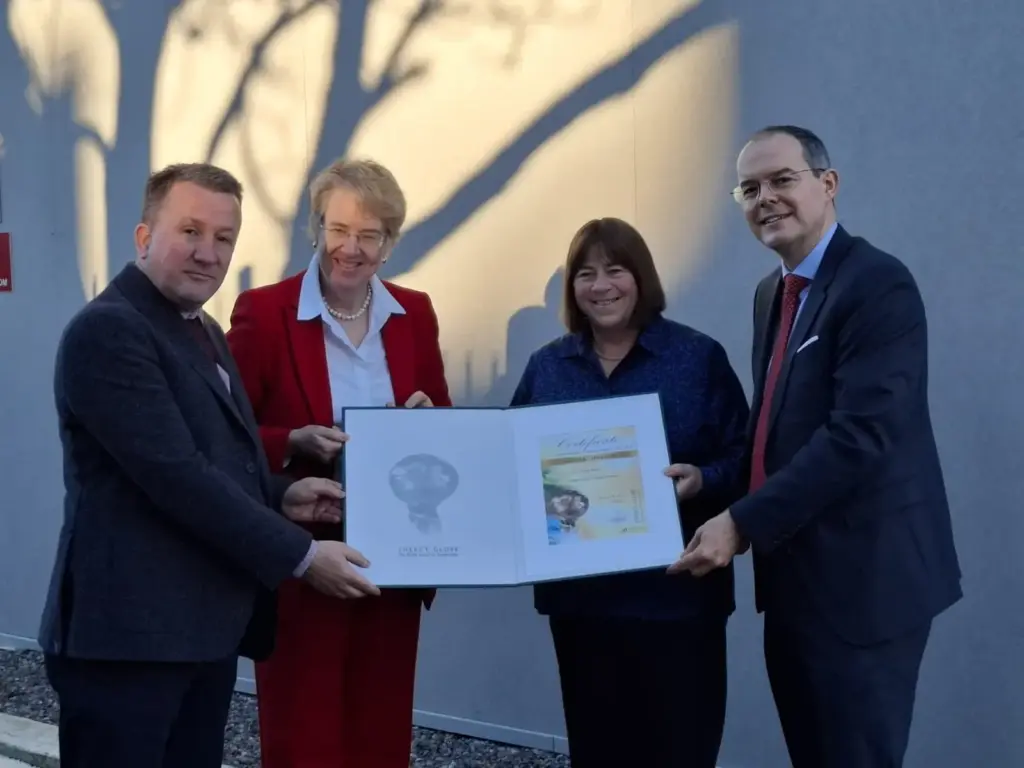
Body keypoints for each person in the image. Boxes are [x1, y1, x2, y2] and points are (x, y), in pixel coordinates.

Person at [37, 163, 380, 768]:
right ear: (144, 238)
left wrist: (282, 496)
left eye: (224, 238)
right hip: (128, 646)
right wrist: (302, 557)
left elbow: (216, 460)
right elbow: (177, 477)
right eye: (190, 231)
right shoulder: (111, 331)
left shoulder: (201, 329)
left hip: (197, 634)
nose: (208, 253)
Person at [671, 125, 963, 767]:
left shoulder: (877, 284)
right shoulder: (771, 293)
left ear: (827, 185)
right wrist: (711, 480)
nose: (765, 198)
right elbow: (776, 426)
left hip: (865, 585)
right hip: (795, 584)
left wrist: (741, 523)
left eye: (782, 180)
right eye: (749, 188)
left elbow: (861, 435)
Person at [226, 157, 451, 768]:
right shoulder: (264, 312)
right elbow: (227, 435)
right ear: (317, 229)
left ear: (389, 243)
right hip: (303, 558)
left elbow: (443, 425)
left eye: (370, 234)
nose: (351, 248)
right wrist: (293, 441)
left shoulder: (414, 313)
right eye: (338, 229)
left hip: (394, 561)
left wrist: (429, 420)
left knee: (380, 736)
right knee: (306, 738)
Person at [509, 217, 750, 768]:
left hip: (677, 600)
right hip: (582, 605)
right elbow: (514, 463)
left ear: (641, 278)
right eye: (586, 274)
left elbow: (745, 457)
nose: (601, 285)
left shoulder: (697, 357)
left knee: (680, 751)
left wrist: (701, 480)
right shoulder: (548, 367)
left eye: (615, 269)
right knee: (598, 753)